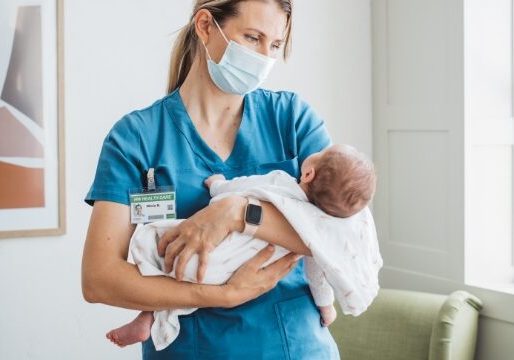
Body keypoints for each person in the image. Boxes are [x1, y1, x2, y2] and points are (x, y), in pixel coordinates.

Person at [81, 0, 346, 358]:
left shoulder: (292, 119)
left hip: (293, 346)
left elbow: (341, 231)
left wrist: (238, 213)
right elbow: (99, 279)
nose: (264, 58)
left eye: (275, 45)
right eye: (252, 38)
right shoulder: (136, 139)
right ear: (205, 26)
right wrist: (220, 295)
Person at [106, 144, 380, 350]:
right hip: (234, 271)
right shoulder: (318, 231)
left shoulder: (281, 180)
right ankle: (150, 318)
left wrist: (219, 187)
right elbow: (319, 270)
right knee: (185, 281)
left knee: (164, 262)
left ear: (308, 173)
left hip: (208, 255)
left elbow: (240, 188)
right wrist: (326, 306)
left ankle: (148, 314)